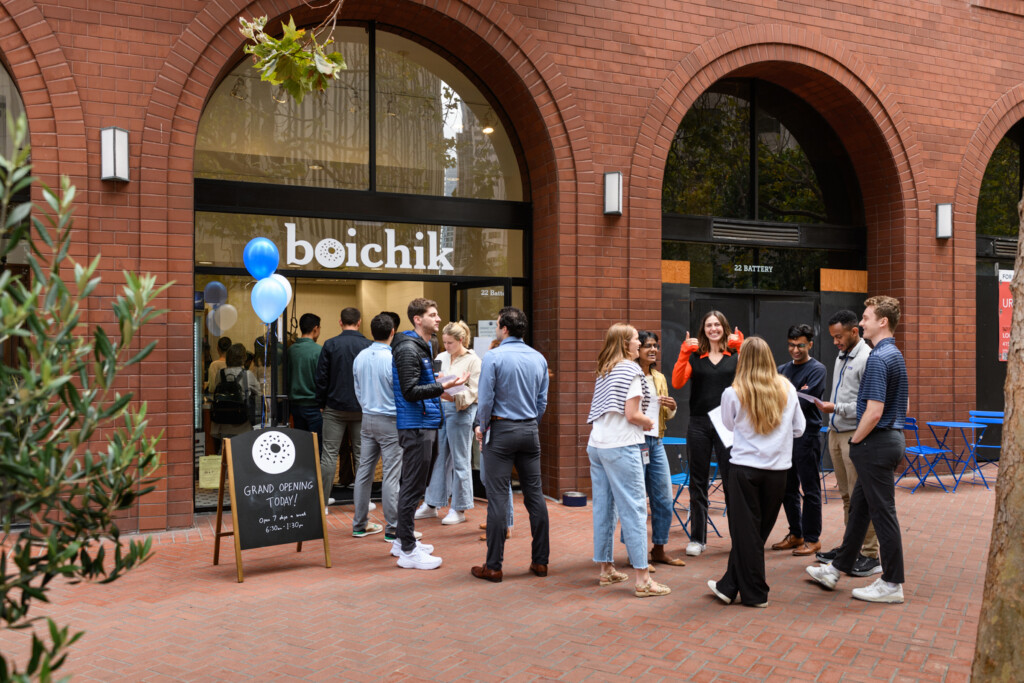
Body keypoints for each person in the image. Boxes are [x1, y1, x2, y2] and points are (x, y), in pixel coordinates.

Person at [806, 296, 908, 604]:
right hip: (885, 440)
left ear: (882, 322)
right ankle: (836, 569)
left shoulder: (877, 358)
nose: (860, 322)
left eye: (865, 318)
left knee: (883, 514)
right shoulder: (894, 354)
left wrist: (856, 441)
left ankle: (891, 583)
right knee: (861, 511)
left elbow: (874, 411)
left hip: (875, 443)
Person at [708, 336, 805, 608]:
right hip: (777, 471)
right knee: (756, 531)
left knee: (746, 532)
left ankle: (755, 594)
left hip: (745, 469)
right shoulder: (787, 387)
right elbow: (800, 429)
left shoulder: (733, 392)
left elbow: (727, 425)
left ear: (743, 360)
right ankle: (728, 585)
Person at [586, 323, 670, 598]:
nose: (640, 343)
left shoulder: (605, 369)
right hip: (622, 445)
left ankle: (606, 569)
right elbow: (632, 414)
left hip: (597, 444)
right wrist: (648, 422)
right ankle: (643, 579)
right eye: (636, 340)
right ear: (626, 344)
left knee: (604, 507)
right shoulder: (632, 370)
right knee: (634, 510)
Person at [471, 307, 550, 583]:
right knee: (535, 497)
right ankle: (540, 562)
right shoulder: (538, 358)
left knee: (498, 499)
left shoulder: (494, 356)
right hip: (529, 429)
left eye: (497, 325)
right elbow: (542, 401)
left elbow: (486, 398)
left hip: (501, 428)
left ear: (504, 328)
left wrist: (483, 426)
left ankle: (493, 566)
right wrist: (531, 423)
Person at [392, 298, 468, 570]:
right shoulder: (408, 349)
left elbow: (419, 384)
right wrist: (440, 388)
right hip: (417, 425)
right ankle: (408, 551)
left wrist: (442, 385)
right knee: (412, 488)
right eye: (432, 315)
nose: (438, 319)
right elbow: (410, 391)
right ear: (417, 319)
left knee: (413, 486)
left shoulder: (421, 346)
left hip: (425, 422)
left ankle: (402, 541)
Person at [671, 310, 743, 556]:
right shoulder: (695, 356)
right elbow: (678, 382)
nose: (713, 328)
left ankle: (739, 538)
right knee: (698, 483)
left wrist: (742, 348)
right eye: (709, 325)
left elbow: (752, 376)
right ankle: (697, 539)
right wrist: (683, 354)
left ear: (724, 327)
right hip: (699, 423)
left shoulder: (734, 355)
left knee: (732, 481)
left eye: (717, 324)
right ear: (703, 329)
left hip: (728, 423)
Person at [815, 310, 880, 576]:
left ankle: (870, 554)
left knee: (860, 498)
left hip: (855, 434)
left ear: (855, 332)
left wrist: (836, 408)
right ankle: (849, 547)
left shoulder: (868, 359)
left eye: (839, 336)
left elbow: (868, 405)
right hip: (835, 432)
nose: (835, 342)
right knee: (845, 496)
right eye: (832, 337)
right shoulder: (842, 355)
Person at [418, 321, 482, 525]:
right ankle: (432, 503)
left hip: (462, 410)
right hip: (441, 409)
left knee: (460, 459)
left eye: (450, 342)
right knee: (438, 457)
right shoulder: (440, 357)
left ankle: (460, 508)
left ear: (461, 340)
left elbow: (476, 391)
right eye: (444, 342)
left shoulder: (473, 360)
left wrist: (454, 392)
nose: (446, 346)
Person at [771, 324, 827, 556]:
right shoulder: (782, 369)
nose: (795, 349)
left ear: (810, 344)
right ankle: (797, 534)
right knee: (788, 488)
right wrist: (792, 394)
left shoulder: (817, 369)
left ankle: (813, 539)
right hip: (785, 437)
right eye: (791, 345)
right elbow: (773, 397)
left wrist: (786, 396)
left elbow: (802, 401)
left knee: (810, 488)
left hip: (807, 436)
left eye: (800, 345)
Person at [314, 307, 372, 509]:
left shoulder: (330, 344)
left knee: (329, 454)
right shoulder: (368, 345)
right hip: (361, 408)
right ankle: (362, 502)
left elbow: (321, 378)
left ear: (340, 322)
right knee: (361, 454)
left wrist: (321, 403)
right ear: (359, 321)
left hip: (334, 407)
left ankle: (322, 503)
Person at [636, 330, 685, 567]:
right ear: (636, 349)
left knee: (664, 497)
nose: (653, 349)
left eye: (655, 345)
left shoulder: (660, 378)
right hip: (634, 443)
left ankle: (659, 548)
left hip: (656, 443)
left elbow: (666, 413)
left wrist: (672, 406)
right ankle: (636, 553)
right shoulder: (630, 375)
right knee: (636, 500)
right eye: (647, 345)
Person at [351, 313, 401, 539]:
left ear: (372, 332)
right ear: (392, 332)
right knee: (391, 474)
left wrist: (367, 407)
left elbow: (358, 388)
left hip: (367, 416)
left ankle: (360, 524)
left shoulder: (360, 356)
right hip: (390, 419)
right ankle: (393, 528)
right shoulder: (392, 357)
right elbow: (398, 391)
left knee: (364, 472)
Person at [477, 336, 514, 542]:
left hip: (497, 431)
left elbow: (486, 401)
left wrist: (482, 425)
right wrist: (478, 425)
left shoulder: (504, 379)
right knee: (486, 478)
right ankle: (495, 519)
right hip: (488, 429)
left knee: (500, 481)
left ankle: (505, 524)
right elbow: (482, 400)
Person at [209, 343, 260, 444]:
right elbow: (259, 392)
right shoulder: (247, 374)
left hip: (223, 421)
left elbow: (215, 389)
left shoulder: (220, 373)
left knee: (225, 450)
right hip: (242, 422)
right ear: (243, 358)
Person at [288, 314, 323, 453]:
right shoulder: (319, 351)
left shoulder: (290, 351)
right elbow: (322, 380)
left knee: (300, 447)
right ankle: (316, 474)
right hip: (314, 406)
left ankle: (302, 473)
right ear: (315, 329)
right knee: (317, 447)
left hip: (295, 406)